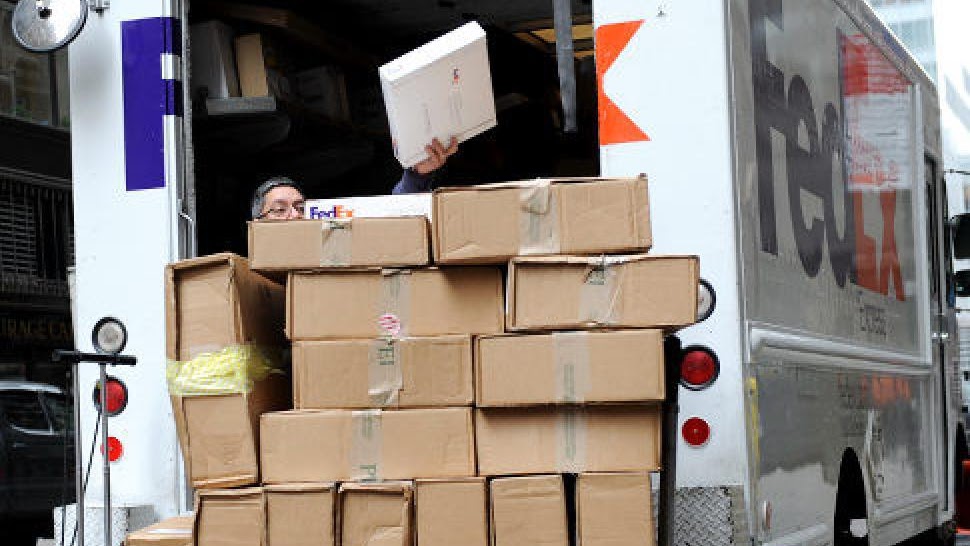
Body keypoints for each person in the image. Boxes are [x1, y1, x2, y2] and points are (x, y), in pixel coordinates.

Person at [252, 137, 458, 220]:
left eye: (301, 208)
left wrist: (417, 174)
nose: (295, 215)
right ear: (257, 224)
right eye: (280, 210)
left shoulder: (328, 255)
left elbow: (394, 216)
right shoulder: (253, 280)